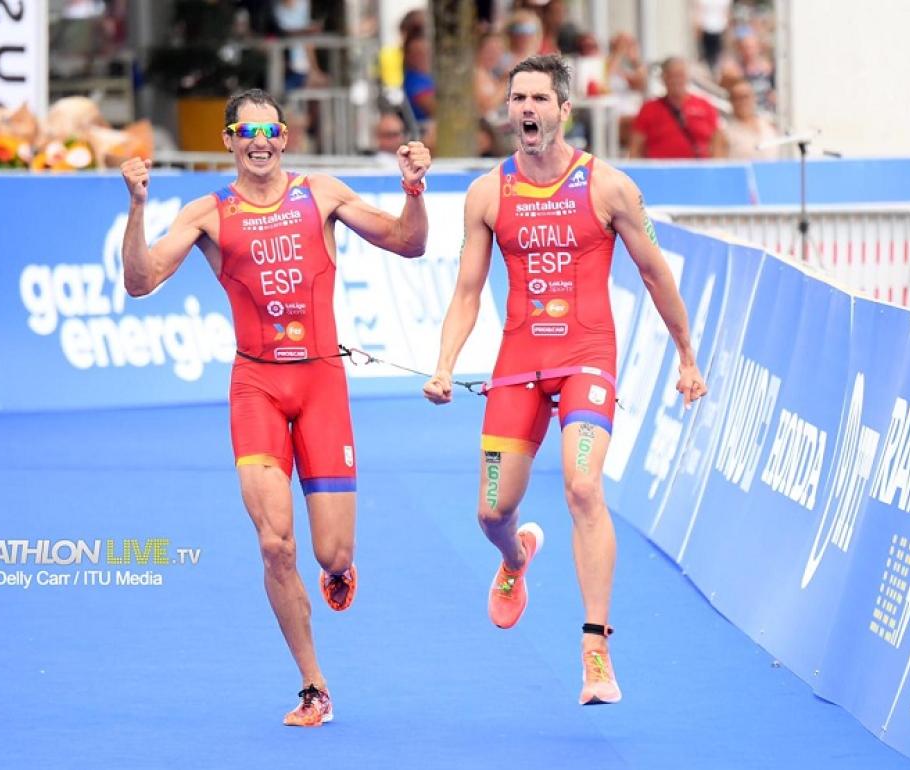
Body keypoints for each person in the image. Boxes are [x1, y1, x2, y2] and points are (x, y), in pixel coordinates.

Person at [119, 89, 431, 726]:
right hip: (256, 388)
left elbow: (407, 243)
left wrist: (414, 192)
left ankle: (340, 570)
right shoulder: (208, 212)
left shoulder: (321, 194)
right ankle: (314, 686)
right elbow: (141, 280)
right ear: (229, 141)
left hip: (320, 386)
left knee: (330, 554)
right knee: (274, 545)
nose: (259, 141)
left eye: (270, 130)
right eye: (245, 131)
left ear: (285, 138)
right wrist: (137, 208)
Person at [421, 55, 707, 706]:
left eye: (539, 99)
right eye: (517, 97)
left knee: (583, 486)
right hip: (519, 365)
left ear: (563, 110)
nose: (526, 108)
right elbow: (467, 291)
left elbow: (657, 273)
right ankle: (516, 557)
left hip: (587, 360)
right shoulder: (488, 193)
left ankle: (596, 649)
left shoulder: (609, 188)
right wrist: (443, 362)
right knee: (491, 510)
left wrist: (687, 356)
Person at [628, 56, 724, 159]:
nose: (677, 80)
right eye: (672, 76)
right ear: (663, 78)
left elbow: (717, 142)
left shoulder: (705, 105)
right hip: (660, 171)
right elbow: (635, 148)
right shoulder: (649, 109)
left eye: (680, 75)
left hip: (698, 170)